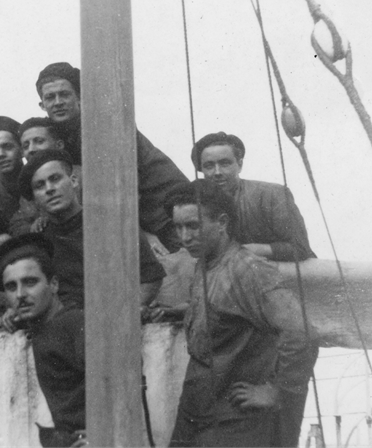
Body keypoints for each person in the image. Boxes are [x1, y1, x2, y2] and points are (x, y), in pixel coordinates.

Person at [162, 180, 318, 447]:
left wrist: (277, 391)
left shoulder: (248, 270)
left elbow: (302, 331)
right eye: (179, 227)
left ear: (222, 223)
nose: (185, 237)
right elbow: (226, 314)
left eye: (193, 226)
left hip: (235, 423)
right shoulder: (204, 265)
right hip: (197, 412)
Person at [34, 61, 190, 254]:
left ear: (80, 97)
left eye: (64, 94)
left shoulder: (104, 121)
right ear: (42, 104)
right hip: (138, 215)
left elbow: (120, 185)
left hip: (166, 210)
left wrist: (142, 235)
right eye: (50, 97)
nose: (58, 102)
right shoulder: (52, 134)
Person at [16, 149, 165, 310]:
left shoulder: (114, 223)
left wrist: (128, 310)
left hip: (116, 315)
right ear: (35, 198)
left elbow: (151, 277)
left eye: (55, 179)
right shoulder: (38, 240)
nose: (49, 189)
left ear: (74, 181)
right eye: (40, 186)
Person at [0, 234, 87, 448]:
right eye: (11, 287)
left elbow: (117, 380)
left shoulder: (74, 323)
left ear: (54, 284)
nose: (20, 294)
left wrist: (100, 433)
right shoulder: (42, 325)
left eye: (30, 282)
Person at [191, 131, 314, 262]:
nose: (217, 172)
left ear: (239, 165)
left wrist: (250, 250)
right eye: (209, 166)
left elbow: (300, 248)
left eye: (224, 163)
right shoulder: (198, 205)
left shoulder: (272, 194)